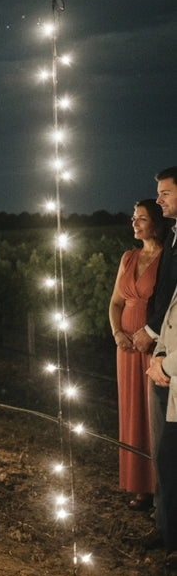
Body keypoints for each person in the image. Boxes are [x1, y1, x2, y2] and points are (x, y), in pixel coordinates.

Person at [110, 200, 168, 510]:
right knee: (131, 410)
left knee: (153, 414)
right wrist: (118, 334)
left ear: (156, 223)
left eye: (141, 218)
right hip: (127, 348)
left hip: (152, 345)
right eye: (133, 217)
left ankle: (159, 485)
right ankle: (139, 486)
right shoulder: (128, 257)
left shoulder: (168, 259)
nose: (134, 223)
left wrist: (149, 335)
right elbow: (116, 303)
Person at [144, 167, 177, 552]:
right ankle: (166, 530)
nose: (158, 199)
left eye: (165, 192)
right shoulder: (171, 237)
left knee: (169, 454)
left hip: (169, 360)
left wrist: (165, 360)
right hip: (164, 352)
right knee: (164, 453)